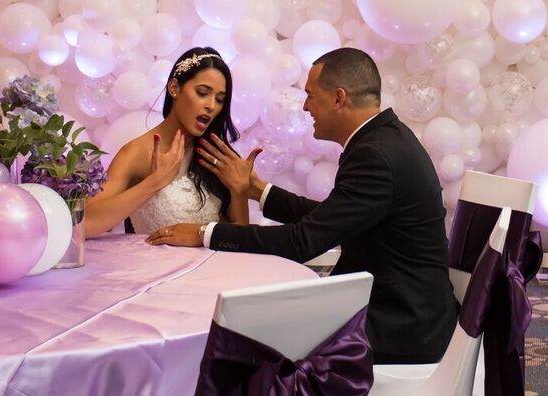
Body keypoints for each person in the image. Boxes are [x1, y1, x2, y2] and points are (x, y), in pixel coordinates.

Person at [147, 48, 457, 365]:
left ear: (338, 98)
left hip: (400, 325)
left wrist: (204, 233)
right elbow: (332, 219)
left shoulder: (375, 156)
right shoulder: (387, 139)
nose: (306, 106)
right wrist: (257, 189)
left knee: (254, 336)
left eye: (310, 95)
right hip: (411, 312)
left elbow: (302, 242)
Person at [78, 47, 251, 236]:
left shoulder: (216, 156)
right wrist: (155, 182)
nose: (211, 105)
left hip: (216, 265)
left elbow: (239, 241)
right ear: (174, 88)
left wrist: (239, 192)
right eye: (202, 93)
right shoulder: (137, 153)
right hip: (155, 265)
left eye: (219, 99)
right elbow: (85, 224)